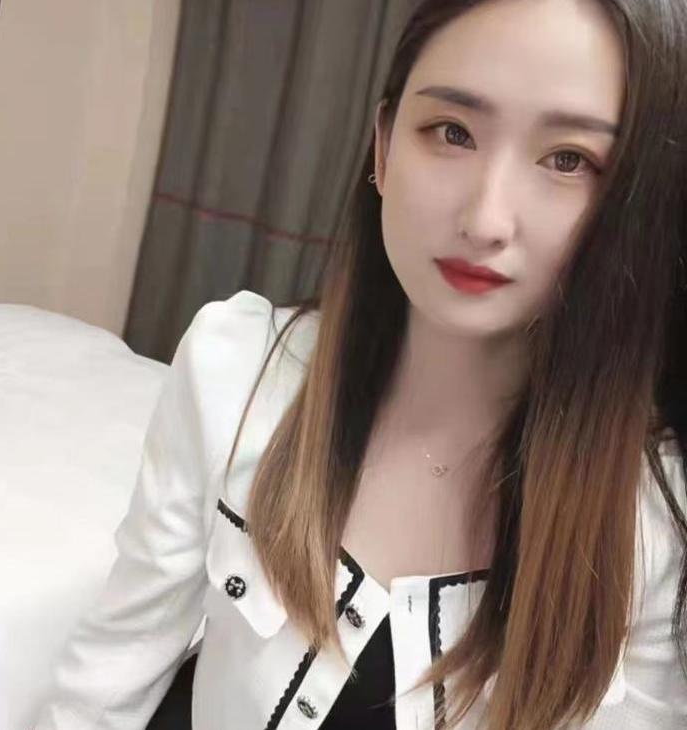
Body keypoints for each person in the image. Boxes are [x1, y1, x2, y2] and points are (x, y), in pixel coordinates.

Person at [35, 0, 687, 728]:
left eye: (568, 160)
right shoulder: (234, 372)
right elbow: (105, 681)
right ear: (382, 147)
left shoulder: (651, 524)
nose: (485, 220)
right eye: (453, 132)